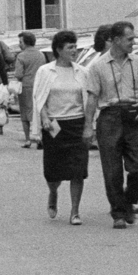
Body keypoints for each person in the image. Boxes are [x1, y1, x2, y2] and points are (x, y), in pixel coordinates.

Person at [84, 20, 138, 229]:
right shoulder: (97, 66)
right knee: (112, 170)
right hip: (109, 117)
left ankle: (129, 201)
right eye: (129, 39)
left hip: (133, 116)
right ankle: (119, 213)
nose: (133, 43)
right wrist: (88, 126)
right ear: (115, 40)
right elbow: (93, 98)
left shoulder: (137, 62)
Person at [32, 29, 89, 225]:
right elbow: (39, 97)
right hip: (54, 125)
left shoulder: (82, 72)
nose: (74, 50)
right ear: (59, 49)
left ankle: (75, 211)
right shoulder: (45, 71)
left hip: (77, 123)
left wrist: (90, 125)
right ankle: (53, 192)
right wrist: (45, 118)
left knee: (78, 170)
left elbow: (87, 99)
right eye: (70, 47)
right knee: (53, 171)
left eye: (75, 46)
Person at [13, 31, 47, 148]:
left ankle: (28, 139)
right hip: (40, 86)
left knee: (25, 114)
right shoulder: (41, 55)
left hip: (26, 86)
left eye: (20, 42)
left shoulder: (21, 56)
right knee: (39, 111)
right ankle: (41, 137)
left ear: (26, 43)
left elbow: (18, 74)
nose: (19, 44)